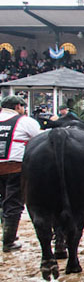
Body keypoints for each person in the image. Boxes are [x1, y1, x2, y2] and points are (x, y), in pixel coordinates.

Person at [0, 95, 41, 252]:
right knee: (13, 203)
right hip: (15, 168)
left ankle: (7, 233)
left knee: (3, 201)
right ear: (18, 106)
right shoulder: (25, 121)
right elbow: (40, 140)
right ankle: (8, 241)